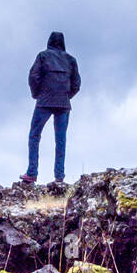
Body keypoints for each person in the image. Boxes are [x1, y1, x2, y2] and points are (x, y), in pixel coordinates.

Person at [20, 31, 80, 185]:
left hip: (44, 101)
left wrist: (37, 94)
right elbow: (76, 84)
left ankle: (32, 173)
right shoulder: (71, 60)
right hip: (63, 103)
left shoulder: (43, 56)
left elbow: (33, 76)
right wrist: (66, 96)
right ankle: (59, 177)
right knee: (60, 140)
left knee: (34, 136)